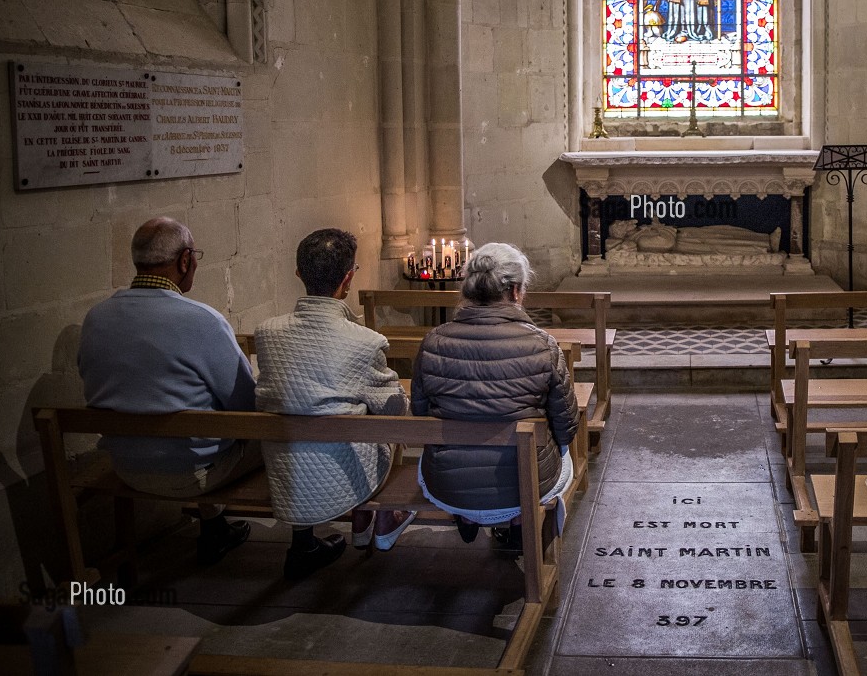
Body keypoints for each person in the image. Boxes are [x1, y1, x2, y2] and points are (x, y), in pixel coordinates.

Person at [77, 217, 258, 565]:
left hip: (125, 465)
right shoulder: (201, 319)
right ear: (185, 260)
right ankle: (304, 539)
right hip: (195, 474)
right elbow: (245, 404)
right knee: (280, 433)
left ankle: (215, 530)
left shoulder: (96, 317)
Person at [254, 228, 415, 580]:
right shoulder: (365, 341)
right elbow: (395, 409)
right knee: (382, 418)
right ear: (348, 278)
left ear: (299, 275)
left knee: (306, 405)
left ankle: (311, 541)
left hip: (284, 479)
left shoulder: (267, 332)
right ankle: (381, 514)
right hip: (342, 483)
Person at [411, 243, 580, 549]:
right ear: (516, 291)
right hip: (525, 485)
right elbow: (566, 424)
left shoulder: (432, 341)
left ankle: (467, 515)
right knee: (563, 448)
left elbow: (419, 414)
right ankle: (519, 522)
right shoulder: (543, 344)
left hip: (449, 485)